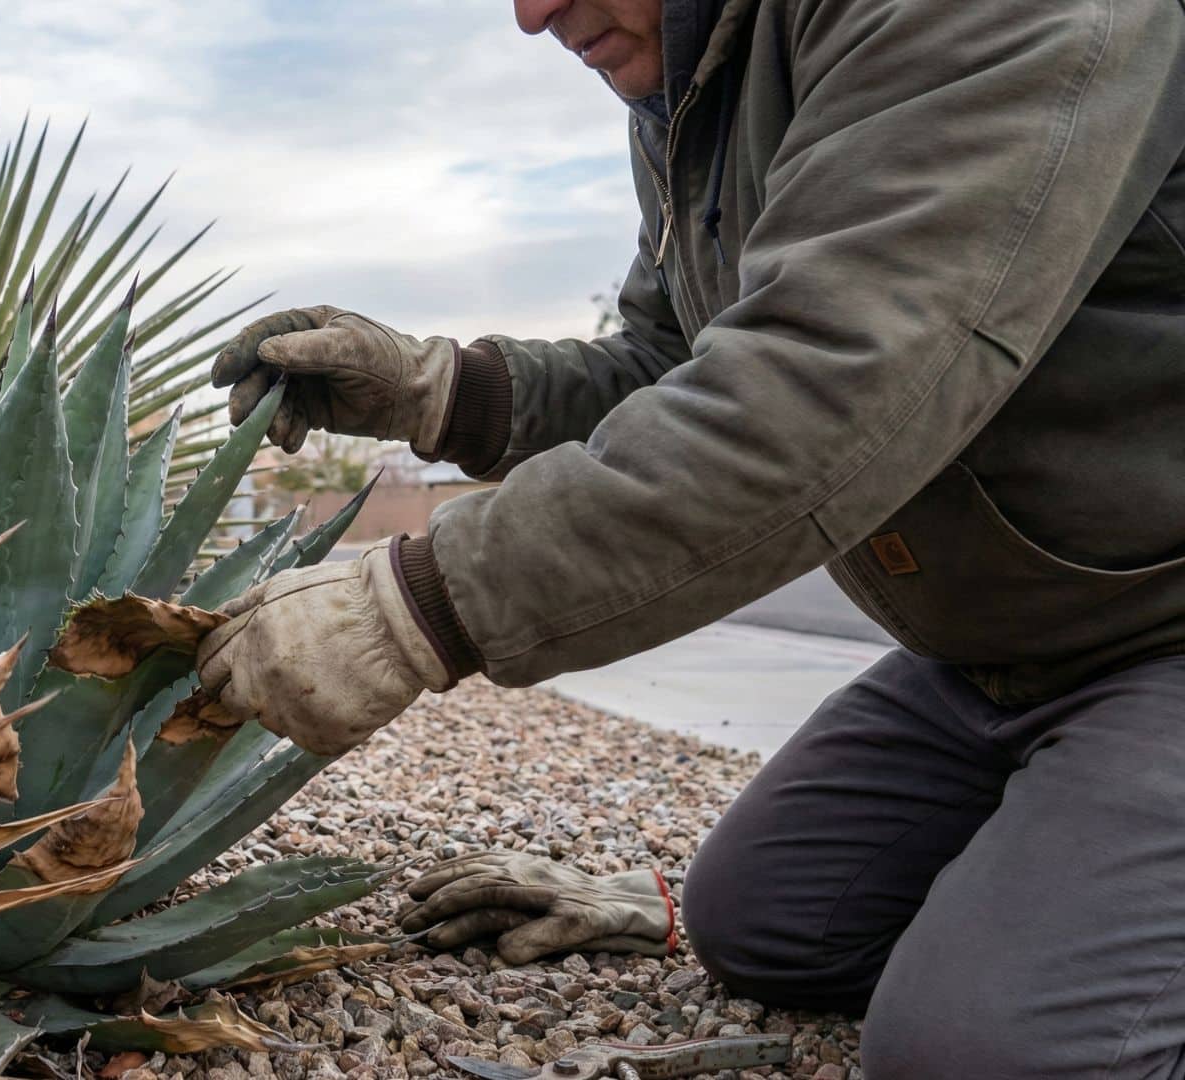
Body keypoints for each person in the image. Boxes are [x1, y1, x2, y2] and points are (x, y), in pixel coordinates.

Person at [196, 0, 1185, 1074]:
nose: (533, 15)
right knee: (769, 928)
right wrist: (437, 390)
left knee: (984, 1055)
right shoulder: (691, 84)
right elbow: (674, 362)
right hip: (1008, 650)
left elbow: (826, 382)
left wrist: (415, 611)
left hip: (1162, 619)